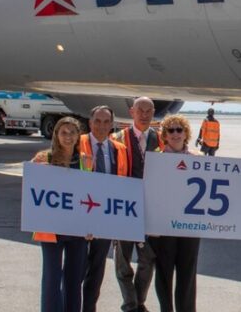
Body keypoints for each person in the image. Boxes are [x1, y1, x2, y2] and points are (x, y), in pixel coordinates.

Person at [32, 117, 90, 312]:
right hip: (51, 229)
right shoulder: (43, 158)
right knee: (52, 277)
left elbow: (92, 195)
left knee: (74, 279)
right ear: (56, 135)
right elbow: (32, 191)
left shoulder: (85, 161)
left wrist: (92, 225)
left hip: (77, 228)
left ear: (78, 136)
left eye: (72, 132)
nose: (68, 136)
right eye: (64, 132)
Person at [148, 114, 201, 312]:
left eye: (180, 129)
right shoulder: (156, 159)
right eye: (171, 130)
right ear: (165, 135)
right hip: (164, 226)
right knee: (163, 272)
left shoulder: (198, 158)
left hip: (190, 226)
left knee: (188, 273)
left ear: (186, 133)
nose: (176, 134)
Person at [79, 106, 129, 312]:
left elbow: (124, 181)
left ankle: (89, 308)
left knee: (97, 268)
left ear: (112, 124)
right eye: (97, 121)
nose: (102, 126)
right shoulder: (78, 143)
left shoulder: (119, 149)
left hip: (105, 216)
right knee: (77, 266)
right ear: (90, 122)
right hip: (80, 214)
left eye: (106, 122)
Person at [113, 97, 159, 312]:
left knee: (147, 259)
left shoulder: (160, 139)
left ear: (153, 113)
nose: (144, 114)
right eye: (140, 110)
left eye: (149, 110)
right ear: (132, 112)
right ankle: (131, 305)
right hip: (123, 208)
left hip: (148, 209)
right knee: (122, 262)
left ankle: (138, 301)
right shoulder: (118, 138)